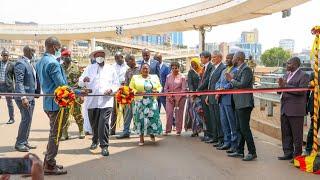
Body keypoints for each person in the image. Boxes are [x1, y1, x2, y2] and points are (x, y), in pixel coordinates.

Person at [78, 48, 119, 156]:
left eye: (101, 55)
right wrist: (84, 80)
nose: (99, 57)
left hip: (106, 101)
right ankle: (95, 140)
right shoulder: (89, 68)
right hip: (92, 101)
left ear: (104, 56)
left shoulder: (111, 69)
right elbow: (80, 82)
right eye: (97, 56)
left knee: (103, 123)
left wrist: (111, 90)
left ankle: (104, 146)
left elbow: (116, 84)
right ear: (95, 57)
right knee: (94, 124)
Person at [35, 36, 67, 175]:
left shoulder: (40, 61)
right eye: (59, 47)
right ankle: (49, 166)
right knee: (55, 135)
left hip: (48, 103)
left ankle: (49, 162)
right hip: (56, 105)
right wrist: (79, 91)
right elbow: (62, 86)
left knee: (53, 133)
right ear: (54, 47)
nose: (59, 50)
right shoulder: (53, 63)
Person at [226, 51, 257, 161]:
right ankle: (239, 151)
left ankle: (252, 152)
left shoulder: (246, 69)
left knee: (245, 129)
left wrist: (232, 80)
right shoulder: (240, 69)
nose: (232, 59)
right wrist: (232, 79)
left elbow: (242, 85)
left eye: (233, 57)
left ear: (238, 58)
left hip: (244, 104)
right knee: (239, 128)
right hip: (238, 103)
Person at [277, 57, 309, 161]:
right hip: (284, 109)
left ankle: (297, 156)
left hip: (295, 110)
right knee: (286, 133)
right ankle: (287, 153)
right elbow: (282, 89)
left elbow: (301, 91)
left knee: (297, 135)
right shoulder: (286, 75)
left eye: (288, 63)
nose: (286, 65)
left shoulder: (303, 75)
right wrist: (280, 87)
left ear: (295, 64)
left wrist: (285, 85)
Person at [14, 46, 40, 152]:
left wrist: (36, 92)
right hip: (24, 98)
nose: (34, 52)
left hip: (31, 96)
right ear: (29, 51)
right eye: (33, 50)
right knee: (26, 119)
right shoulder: (21, 63)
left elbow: (34, 79)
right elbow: (19, 81)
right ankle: (19, 143)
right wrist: (23, 97)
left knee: (28, 119)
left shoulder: (30, 63)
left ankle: (24, 141)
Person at [129, 63, 162, 146]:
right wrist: (138, 92)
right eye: (143, 68)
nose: (145, 70)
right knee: (140, 120)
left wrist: (157, 91)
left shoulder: (154, 77)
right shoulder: (135, 78)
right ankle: (141, 138)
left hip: (152, 102)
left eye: (147, 68)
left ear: (149, 70)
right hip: (140, 102)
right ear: (140, 70)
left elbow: (160, 87)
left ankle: (152, 134)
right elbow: (130, 88)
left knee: (153, 119)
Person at [60, 48, 85, 140]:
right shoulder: (59, 67)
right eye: (65, 56)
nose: (68, 57)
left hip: (75, 94)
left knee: (77, 113)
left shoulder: (76, 67)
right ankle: (65, 133)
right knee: (64, 114)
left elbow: (81, 82)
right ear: (62, 57)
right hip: (64, 95)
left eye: (69, 56)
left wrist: (82, 95)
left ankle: (81, 130)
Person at [215, 53, 238, 152]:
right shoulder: (224, 70)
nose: (227, 59)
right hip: (221, 100)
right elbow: (218, 82)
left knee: (231, 123)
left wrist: (223, 89)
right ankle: (226, 142)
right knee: (224, 122)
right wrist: (217, 89)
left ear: (234, 59)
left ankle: (234, 144)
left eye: (230, 58)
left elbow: (231, 83)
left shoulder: (236, 70)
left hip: (229, 100)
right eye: (227, 58)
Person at [117, 54, 140, 139]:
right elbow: (126, 84)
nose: (126, 63)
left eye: (127, 61)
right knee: (127, 114)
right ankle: (126, 131)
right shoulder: (128, 71)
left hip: (139, 96)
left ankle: (139, 131)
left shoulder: (140, 69)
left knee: (138, 114)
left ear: (132, 60)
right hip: (129, 96)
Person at [205, 51, 225, 146]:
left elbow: (221, 83)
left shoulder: (223, 68)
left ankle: (221, 139)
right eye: (212, 57)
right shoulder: (213, 68)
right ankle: (215, 137)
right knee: (213, 118)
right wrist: (208, 96)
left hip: (218, 97)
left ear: (220, 58)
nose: (213, 59)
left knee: (218, 119)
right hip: (211, 96)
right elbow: (210, 83)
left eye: (215, 57)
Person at [164, 62, 187, 136]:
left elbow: (184, 89)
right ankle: (167, 130)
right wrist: (169, 96)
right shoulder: (168, 76)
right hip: (169, 98)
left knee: (179, 114)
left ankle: (178, 130)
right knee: (169, 113)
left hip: (180, 99)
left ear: (178, 68)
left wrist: (177, 99)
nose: (174, 69)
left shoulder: (182, 77)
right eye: (173, 68)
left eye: (176, 68)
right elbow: (165, 88)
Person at [197, 51, 214, 143]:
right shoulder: (204, 67)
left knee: (209, 116)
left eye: (202, 57)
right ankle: (207, 134)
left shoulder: (211, 67)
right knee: (205, 116)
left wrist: (198, 89)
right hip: (203, 94)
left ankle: (211, 135)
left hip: (207, 94)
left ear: (207, 58)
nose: (201, 59)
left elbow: (207, 81)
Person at [110, 51, 127, 135]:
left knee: (125, 111)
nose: (117, 60)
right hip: (116, 91)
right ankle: (112, 129)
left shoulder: (127, 66)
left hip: (125, 91)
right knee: (114, 111)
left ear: (122, 57)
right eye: (115, 58)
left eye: (118, 58)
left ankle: (126, 129)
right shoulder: (112, 67)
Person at [305, 72, 320, 155]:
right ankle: (308, 149)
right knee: (313, 128)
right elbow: (308, 91)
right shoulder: (314, 73)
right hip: (315, 106)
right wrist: (305, 106)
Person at [187, 57, 202, 137]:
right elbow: (190, 83)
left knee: (200, 113)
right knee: (193, 113)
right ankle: (195, 130)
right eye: (192, 64)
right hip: (193, 96)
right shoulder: (190, 72)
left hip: (201, 95)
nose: (194, 65)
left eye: (195, 64)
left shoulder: (202, 70)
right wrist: (193, 93)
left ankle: (202, 129)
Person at [0, 49, 15, 124]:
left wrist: (15, 88)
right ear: (1, 56)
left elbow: (15, 77)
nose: (5, 57)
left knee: (9, 103)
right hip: (0, 85)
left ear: (8, 56)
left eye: (6, 55)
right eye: (4, 55)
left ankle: (11, 118)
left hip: (8, 86)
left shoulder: (12, 65)